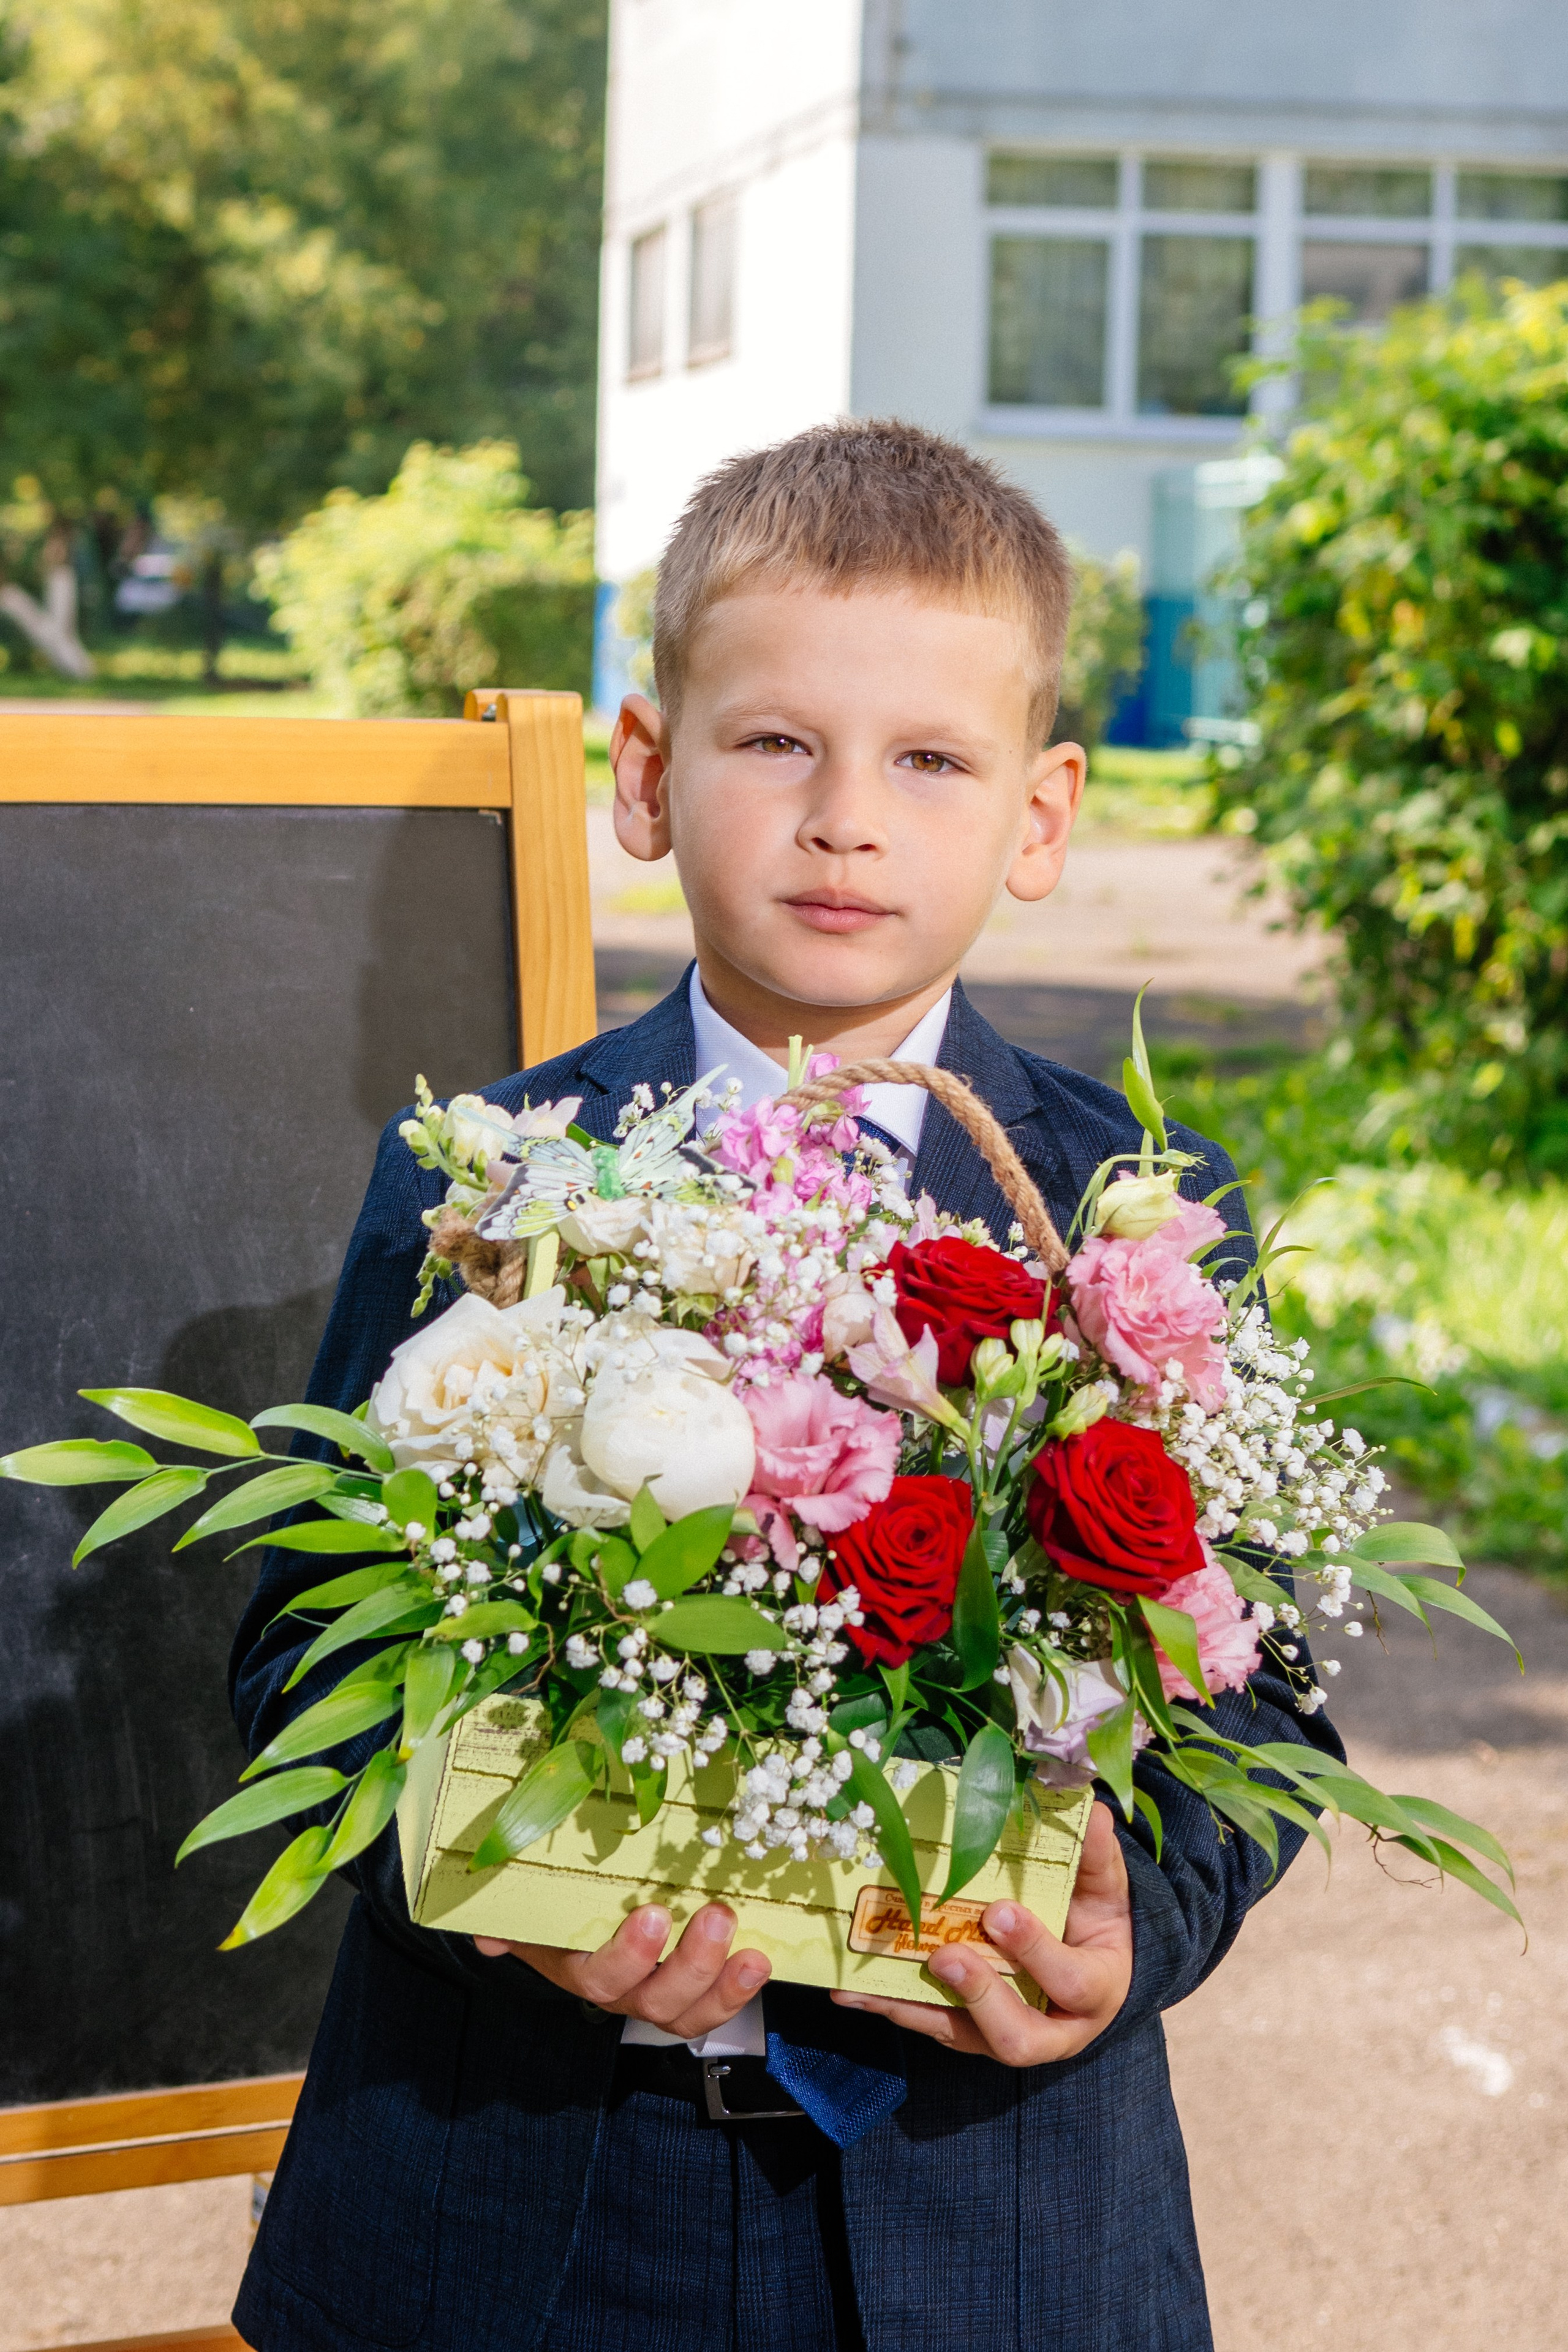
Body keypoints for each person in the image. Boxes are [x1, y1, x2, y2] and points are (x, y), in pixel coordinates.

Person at [230, 420, 1341, 2352]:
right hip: (513, 2208)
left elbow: (1277, 1703)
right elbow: (294, 1660)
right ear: (648, 775)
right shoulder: (489, 1177)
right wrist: (489, 1877)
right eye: (775, 745)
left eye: (931, 760)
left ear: (1043, 813)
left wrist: (1123, 1933)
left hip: (985, 2222)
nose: (849, 820)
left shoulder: (1129, 1217)